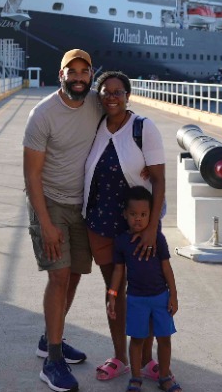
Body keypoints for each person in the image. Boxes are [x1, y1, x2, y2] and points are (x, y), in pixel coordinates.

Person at [24, 49, 103, 392]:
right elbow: (31, 175)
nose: (79, 77)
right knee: (58, 277)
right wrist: (45, 223)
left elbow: (124, 124)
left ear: (91, 75)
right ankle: (53, 361)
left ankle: (49, 339)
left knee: (73, 276)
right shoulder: (42, 114)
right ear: (61, 76)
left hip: (83, 205)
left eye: (84, 72)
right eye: (72, 72)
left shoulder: (97, 103)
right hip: (51, 202)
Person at [81, 71, 167, 383]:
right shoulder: (96, 127)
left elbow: (159, 180)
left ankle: (146, 359)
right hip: (100, 224)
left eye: (118, 92)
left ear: (128, 96)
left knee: (145, 292)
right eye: (106, 92)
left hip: (138, 226)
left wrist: (151, 228)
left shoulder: (143, 128)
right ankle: (120, 357)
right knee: (114, 292)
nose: (112, 97)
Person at [106, 186, 181, 392]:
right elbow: (118, 271)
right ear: (125, 214)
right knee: (137, 339)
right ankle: (136, 378)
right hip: (136, 299)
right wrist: (112, 294)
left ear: (151, 215)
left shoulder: (158, 239)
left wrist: (173, 295)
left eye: (143, 214)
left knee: (164, 339)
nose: (138, 219)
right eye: (133, 214)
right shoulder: (121, 242)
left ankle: (165, 377)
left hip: (160, 297)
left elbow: (166, 267)